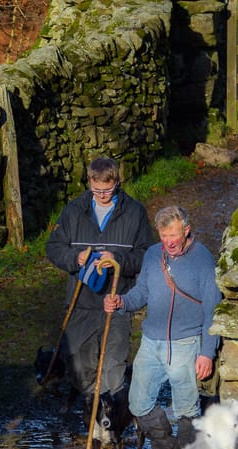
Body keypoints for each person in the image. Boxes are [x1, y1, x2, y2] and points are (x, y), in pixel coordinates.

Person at [104, 205, 222, 449]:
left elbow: (213, 311)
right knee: (138, 403)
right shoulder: (152, 255)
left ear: (186, 231)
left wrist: (207, 352)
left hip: (186, 343)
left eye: (173, 234)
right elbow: (141, 292)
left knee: (186, 410)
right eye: (163, 234)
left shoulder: (203, 260)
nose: (168, 240)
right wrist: (121, 302)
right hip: (150, 342)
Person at [45, 157, 158, 415]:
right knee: (77, 362)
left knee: (113, 367)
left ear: (117, 182)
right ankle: (91, 406)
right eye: (96, 190)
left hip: (117, 300)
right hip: (81, 301)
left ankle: (110, 420)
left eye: (107, 189)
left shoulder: (134, 212)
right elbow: (53, 247)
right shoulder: (74, 210)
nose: (102, 195)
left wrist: (118, 260)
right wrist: (76, 258)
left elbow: (146, 254)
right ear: (89, 183)